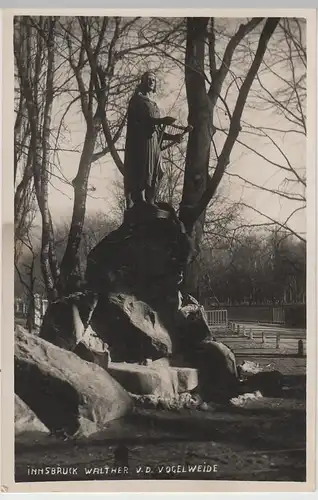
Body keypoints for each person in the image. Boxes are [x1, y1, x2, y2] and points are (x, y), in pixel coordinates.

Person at [124, 71, 183, 209]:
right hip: (142, 142)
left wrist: (174, 137)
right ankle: (141, 200)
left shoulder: (153, 103)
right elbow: (141, 122)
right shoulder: (137, 100)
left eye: (153, 80)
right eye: (148, 79)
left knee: (159, 171)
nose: (151, 82)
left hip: (154, 142)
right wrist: (161, 120)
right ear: (142, 81)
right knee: (144, 169)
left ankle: (151, 200)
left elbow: (157, 131)